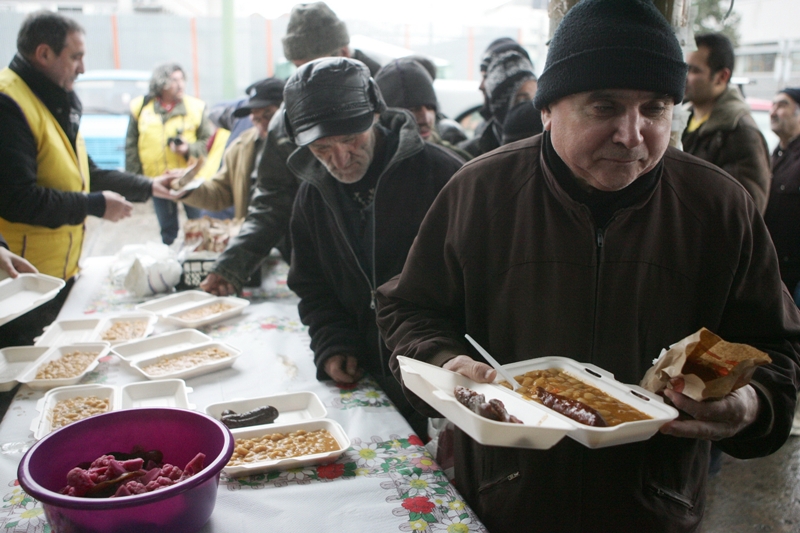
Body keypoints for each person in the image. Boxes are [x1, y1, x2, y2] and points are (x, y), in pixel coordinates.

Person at [375, 1, 800, 531]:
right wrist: (443, 358)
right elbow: (406, 307)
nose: (632, 133)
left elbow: (778, 351)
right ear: (548, 109)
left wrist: (750, 406)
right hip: (506, 500)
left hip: (655, 508)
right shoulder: (480, 193)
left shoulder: (719, 209)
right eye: (604, 107)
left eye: (655, 108)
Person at [285, 58, 463, 438]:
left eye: (352, 138)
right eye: (321, 148)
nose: (341, 159)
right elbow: (312, 284)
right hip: (366, 377)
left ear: (376, 115)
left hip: (444, 378)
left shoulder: (445, 177)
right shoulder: (312, 194)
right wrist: (332, 342)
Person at [0, 11, 174, 346]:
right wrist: (95, 205)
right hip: (19, 287)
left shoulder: (56, 100)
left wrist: (149, 186)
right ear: (44, 54)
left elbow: (85, 173)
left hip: (55, 278)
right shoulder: (9, 103)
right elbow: (17, 199)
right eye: (76, 56)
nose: (83, 67)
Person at [200, 1, 381, 296]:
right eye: (298, 70)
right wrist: (234, 264)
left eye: (313, 68)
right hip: (323, 267)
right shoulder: (288, 118)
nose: (303, 83)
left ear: (343, 54)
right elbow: (273, 197)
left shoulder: (391, 94)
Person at [682, 33, 771, 214]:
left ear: (722, 76)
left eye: (694, 70)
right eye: (683, 68)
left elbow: (745, 212)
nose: (684, 77)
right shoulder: (682, 119)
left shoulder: (740, 132)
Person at [171, 78, 285, 220]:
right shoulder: (241, 148)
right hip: (256, 234)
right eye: (256, 118)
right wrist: (186, 186)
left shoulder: (307, 146)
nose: (262, 124)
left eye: (268, 116)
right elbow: (221, 192)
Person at [125, 62, 212, 245]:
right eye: (174, 80)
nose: (180, 84)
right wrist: (136, 182)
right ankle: (171, 261)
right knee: (167, 230)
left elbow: (208, 143)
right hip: (159, 181)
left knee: (197, 225)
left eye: (182, 79)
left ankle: (197, 257)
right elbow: (131, 145)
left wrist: (188, 149)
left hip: (190, 180)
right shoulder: (141, 108)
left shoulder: (195, 107)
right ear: (161, 83)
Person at [375, 58, 472, 160]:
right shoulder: (369, 165)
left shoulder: (454, 161)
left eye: (430, 108)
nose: (425, 119)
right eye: (413, 110)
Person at [459, 38, 536, 157]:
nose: (481, 86)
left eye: (486, 77)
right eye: (484, 77)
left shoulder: (550, 141)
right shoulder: (475, 148)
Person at [764, 87, 800, 305]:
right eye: (772, 105)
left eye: (782, 105)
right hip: (774, 272)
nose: (773, 112)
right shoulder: (774, 157)